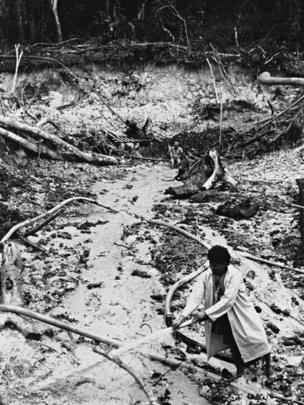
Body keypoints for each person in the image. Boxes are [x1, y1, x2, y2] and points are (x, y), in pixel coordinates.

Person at [173, 245, 272, 377]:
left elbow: (228, 300)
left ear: (225, 264)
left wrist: (206, 313)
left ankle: (268, 366)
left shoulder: (235, 275)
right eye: (211, 265)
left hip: (240, 311)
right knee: (233, 342)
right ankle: (240, 370)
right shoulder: (206, 276)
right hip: (221, 313)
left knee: (257, 337)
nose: (213, 268)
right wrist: (182, 316)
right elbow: (195, 297)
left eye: (216, 265)